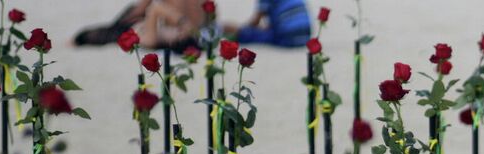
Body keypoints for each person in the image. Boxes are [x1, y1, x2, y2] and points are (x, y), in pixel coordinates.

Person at [73, 0, 206, 49]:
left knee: (96, 34)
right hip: (139, 19)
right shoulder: (161, 35)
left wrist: (184, 22)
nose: (179, 31)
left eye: (179, 34)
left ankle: (75, 41)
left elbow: (156, 8)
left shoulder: (150, 40)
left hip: (125, 26)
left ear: (172, 43)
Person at [223, 0, 312, 47]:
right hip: (305, 37)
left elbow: (255, 22)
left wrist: (241, 29)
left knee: (244, 33)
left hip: (288, 37)